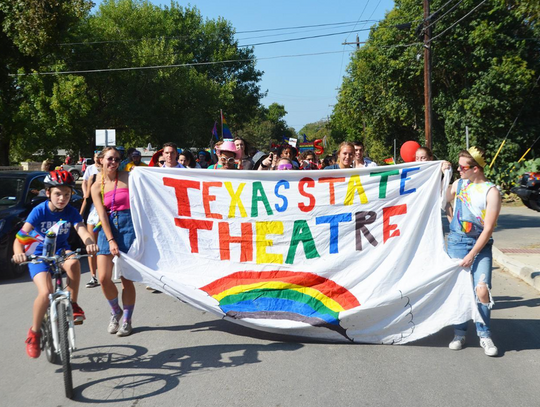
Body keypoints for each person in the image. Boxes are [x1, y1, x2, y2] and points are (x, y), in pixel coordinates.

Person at [12, 170, 98, 358]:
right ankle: (34, 333)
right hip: (39, 254)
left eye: (67, 194)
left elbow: (81, 230)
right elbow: (20, 238)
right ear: (48, 192)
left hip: (61, 251)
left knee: (74, 262)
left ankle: (73, 304)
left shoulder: (72, 212)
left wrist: (90, 243)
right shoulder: (39, 211)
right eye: (58, 193)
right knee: (45, 292)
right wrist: (19, 253)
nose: (63, 198)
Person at [446, 147, 501, 357]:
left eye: (463, 167)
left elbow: (488, 229)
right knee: (460, 290)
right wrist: (443, 174)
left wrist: (471, 254)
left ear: (476, 169)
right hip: (457, 242)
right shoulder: (458, 184)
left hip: (480, 246)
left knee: (482, 289)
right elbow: (441, 199)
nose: (459, 170)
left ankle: (484, 335)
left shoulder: (491, 191)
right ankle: (459, 332)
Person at [91, 147, 137, 337]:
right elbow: (102, 214)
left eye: (117, 159)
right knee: (103, 278)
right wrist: (110, 239)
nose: (114, 162)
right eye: (110, 159)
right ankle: (115, 310)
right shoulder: (96, 185)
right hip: (108, 227)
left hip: (128, 226)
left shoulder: (128, 177)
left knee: (126, 278)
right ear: (101, 160)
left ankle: (126, 320)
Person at [81, 152, 103, 288]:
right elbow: (87, 197)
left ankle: (110, 272)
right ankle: (93, 276)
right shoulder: (93, 176)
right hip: (93, 214)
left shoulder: (114, 177)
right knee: (91, 245)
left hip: (107, 214)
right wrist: (79, 214)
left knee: (105, 246)